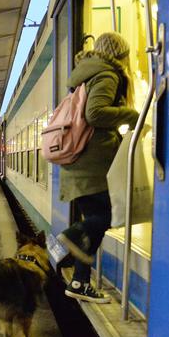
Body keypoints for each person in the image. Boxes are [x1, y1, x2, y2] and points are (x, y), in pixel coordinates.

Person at [57, 32, 140, 304]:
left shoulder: (87, 73)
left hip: (81, 163)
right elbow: (95, 114)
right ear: (120, 55)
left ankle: (79, 282)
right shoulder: (107, 74)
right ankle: (71, 235)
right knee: (106, 216)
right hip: (91, 165)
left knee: (94, 227)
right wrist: (132, 115)